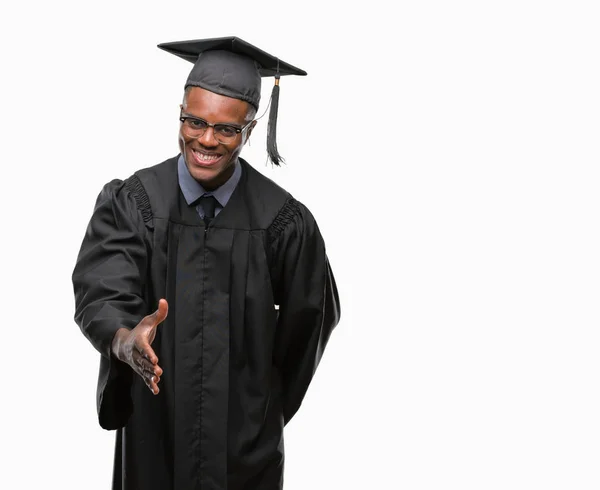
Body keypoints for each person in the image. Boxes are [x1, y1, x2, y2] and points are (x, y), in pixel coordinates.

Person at [71, 36, 341, 490]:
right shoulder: (135, 203)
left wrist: (262, 403)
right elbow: (102, 289)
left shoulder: (283, 222)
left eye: (227, 129)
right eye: (194, 121)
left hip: (245, 453)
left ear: (250, 130)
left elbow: (309, 321)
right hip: (153, 433)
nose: (206, 140)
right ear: (180, 112)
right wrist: (124, 341)